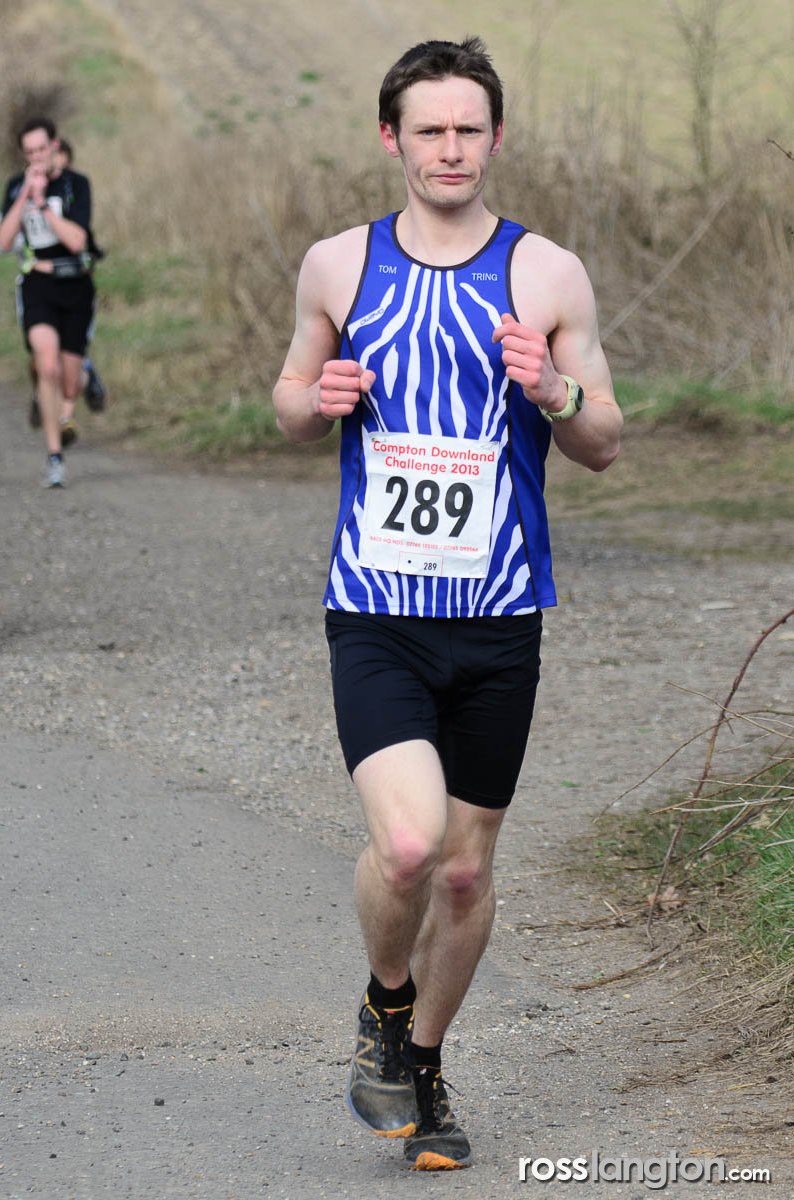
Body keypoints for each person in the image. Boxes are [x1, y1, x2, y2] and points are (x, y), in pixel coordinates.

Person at [273, 37, 622, 1171]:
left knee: (467, 870)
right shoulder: (339, 265)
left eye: (469, 128)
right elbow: (289, 400)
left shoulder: (548, 273)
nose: (451, 148)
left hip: (501, 616)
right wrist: (316, 399)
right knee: (413, 843)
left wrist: (557, 390)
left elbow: (603, 438)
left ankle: (420, 1065)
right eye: (430, 129)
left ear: (496, 138)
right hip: (377, 610)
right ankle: (386, 1003)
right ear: (393, 139)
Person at [0, 117, 96, 486]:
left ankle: (83, 376)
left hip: (75, 284)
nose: (36, 157)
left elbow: (77, 241)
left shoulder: (76, 184)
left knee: (69, 384)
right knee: (47, 364)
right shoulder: (15, 186)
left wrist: (42, 206)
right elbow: (4, 242)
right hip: (37, 284)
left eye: (41, 149)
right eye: (29, 152)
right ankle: (55, 457)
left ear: (54, 146)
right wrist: (24, 194)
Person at [26, 138, 107, 432]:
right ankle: (43, 395)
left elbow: (85, 243)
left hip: (75, 290)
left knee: (67, 360)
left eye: (61, 157)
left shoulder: (74, 192)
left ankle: (65, 415)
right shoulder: (27, 192)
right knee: (44, 359)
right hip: (40, 288)